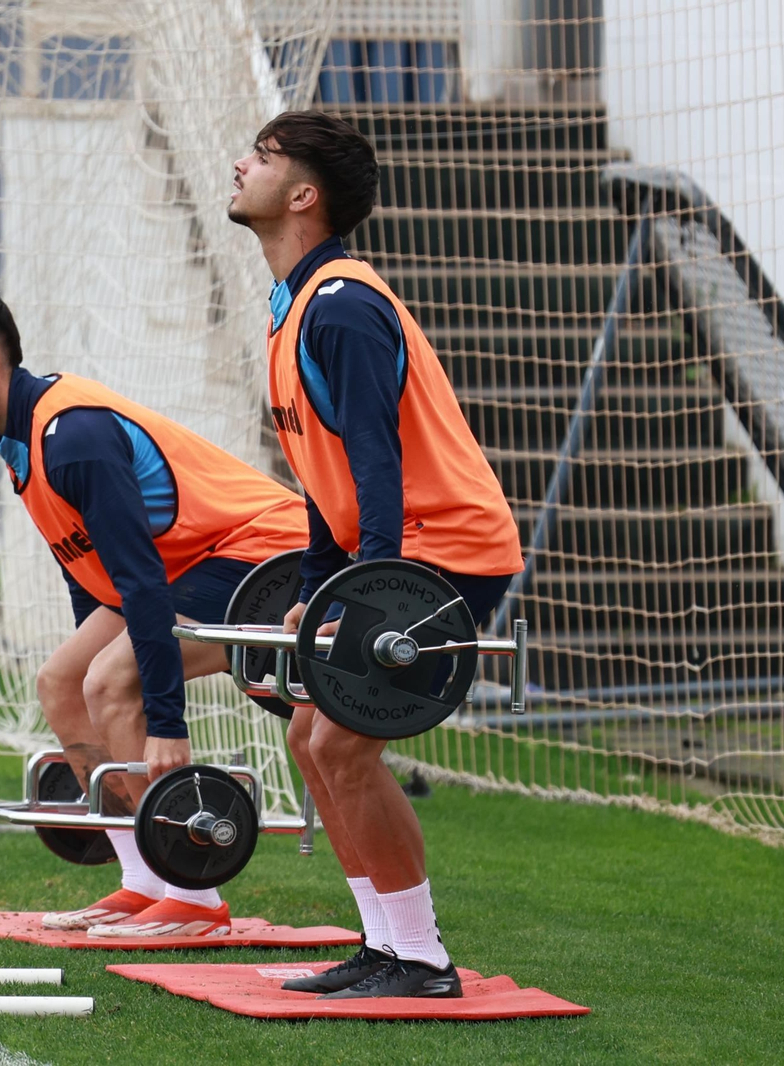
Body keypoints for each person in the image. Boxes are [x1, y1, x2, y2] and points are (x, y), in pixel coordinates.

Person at [0, 282, 307, 938]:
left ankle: (194, 896)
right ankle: (145, 882)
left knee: (110, 681)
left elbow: (141, 581)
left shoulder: (73, 436)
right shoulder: (18, 443)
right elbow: (90, 578)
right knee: (64, 681)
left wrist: (165, 723)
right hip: (193, 565)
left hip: (267, 558)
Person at [228, 110, 524, 997]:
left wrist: (369, 592)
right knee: (314, 743)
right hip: (390, 555)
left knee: (345, 749)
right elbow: (326, 481)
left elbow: (376, 462)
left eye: (264, 157)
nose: (240, 165)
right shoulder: (294, 313)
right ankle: (386, 947)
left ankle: (424, 960)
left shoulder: (346, 306)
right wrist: (319, 586)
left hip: (448, 552)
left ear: (304, 196)